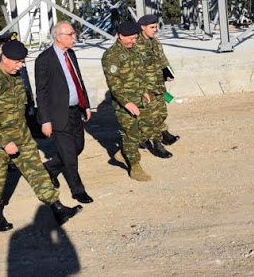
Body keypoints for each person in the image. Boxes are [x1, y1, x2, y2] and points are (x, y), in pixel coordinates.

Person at [0, 40, 82, 231]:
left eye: (22, 61)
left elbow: (21, 110)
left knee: (37, 172)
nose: (21, 65)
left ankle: (58, 209)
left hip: (21, 136)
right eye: (17, 62)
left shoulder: (15, 77)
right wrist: (5, 142)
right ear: (4, 58)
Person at [35, 21, 93, 204]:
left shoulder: (71, 54)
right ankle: (78, 190)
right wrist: (45, 120)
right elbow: (41, 92)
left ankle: (50, 168)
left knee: (78, 147)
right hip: (59, 114)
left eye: (74, 34)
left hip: (76, 110)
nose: (74, 38)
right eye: (70, 34)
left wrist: (86, 105)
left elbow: (78, 80)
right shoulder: (44, 60)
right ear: (58, 36)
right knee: (69, 155)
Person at [102, 21, 161, 182]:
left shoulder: (133, 50)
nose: (134, 42)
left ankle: (123, 152)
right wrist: (126, 103)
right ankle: (135, 167)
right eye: (131, 39)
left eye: (135, 38)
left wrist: (145, 92)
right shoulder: (111, 55)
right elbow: (114, 83)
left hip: (141, 98)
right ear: (121, 36)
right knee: (131, 134)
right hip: (125, 104)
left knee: (147, 128)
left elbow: (139, 73)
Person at [135, 14, 180, 157]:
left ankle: (162, 134)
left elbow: (162, 58)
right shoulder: (136, 44)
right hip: (146, 87)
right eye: (152, 27)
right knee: (151, 116)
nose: (155, 30)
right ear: (143, 27)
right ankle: (157, 144)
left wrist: (167, 72)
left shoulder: (154, 42)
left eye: (156, 27)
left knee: (161, 112)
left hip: (158, 84)